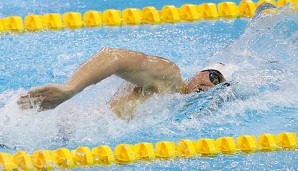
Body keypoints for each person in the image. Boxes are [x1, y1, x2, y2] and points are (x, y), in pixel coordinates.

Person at [17, 48, 227, 120]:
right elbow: (113, 57)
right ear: (201, 72)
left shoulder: (181, 110)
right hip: (64, 126)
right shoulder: (169, 77)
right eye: (214, 77)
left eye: (220, 86)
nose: (212, 87)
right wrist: (69, 89)